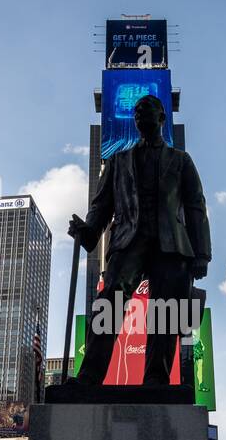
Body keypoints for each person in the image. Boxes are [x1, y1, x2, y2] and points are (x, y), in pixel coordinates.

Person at [67, 93, 210, 387]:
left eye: (148, 109)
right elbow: (102, 204)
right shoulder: (119, 161)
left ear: (161, 118)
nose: (141, 113)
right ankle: (89, 376)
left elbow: (196, 206)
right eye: (137, 111)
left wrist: (201, 254)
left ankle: (156, 378)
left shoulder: (181, 161)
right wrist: (89, 232)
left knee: (165, 313)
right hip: (128, 240)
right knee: (108, 305)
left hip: (171, 245)